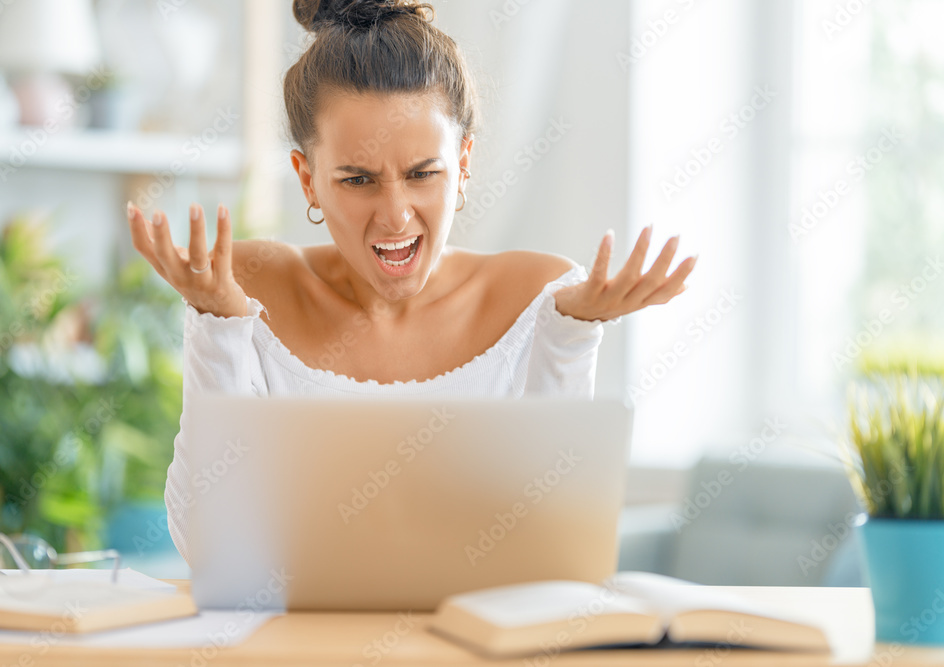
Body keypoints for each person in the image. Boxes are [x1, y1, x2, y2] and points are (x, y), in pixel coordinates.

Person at [125, 0, 697, 566]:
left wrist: (571, 336)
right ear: (308, 180)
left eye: (423, 174)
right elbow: (209, 543)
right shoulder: (246, 288)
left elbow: (550, 544)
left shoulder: (541, 297)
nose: (396, 214)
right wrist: (218, 325)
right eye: (357, 179)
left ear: (465, 163)